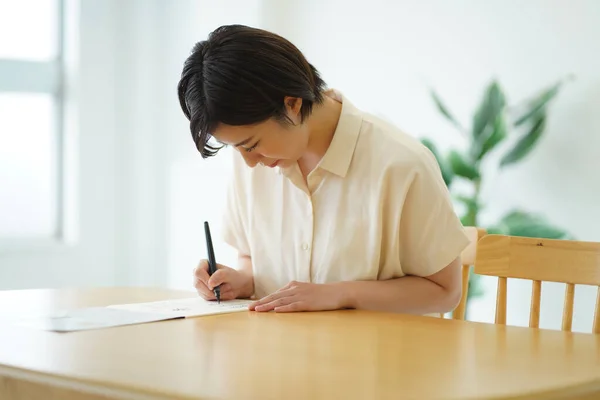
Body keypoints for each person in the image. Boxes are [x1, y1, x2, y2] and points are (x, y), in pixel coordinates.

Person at [177, 24, 471, 315]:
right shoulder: (254, 162)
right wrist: (242, 281)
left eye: (251, 144)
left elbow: (444, 292)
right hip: (276, 354)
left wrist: (341, 294)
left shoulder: (402, 165)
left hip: (378, 358)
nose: (248, 162)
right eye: (235, 147)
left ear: (291, 104)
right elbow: (250, 256)